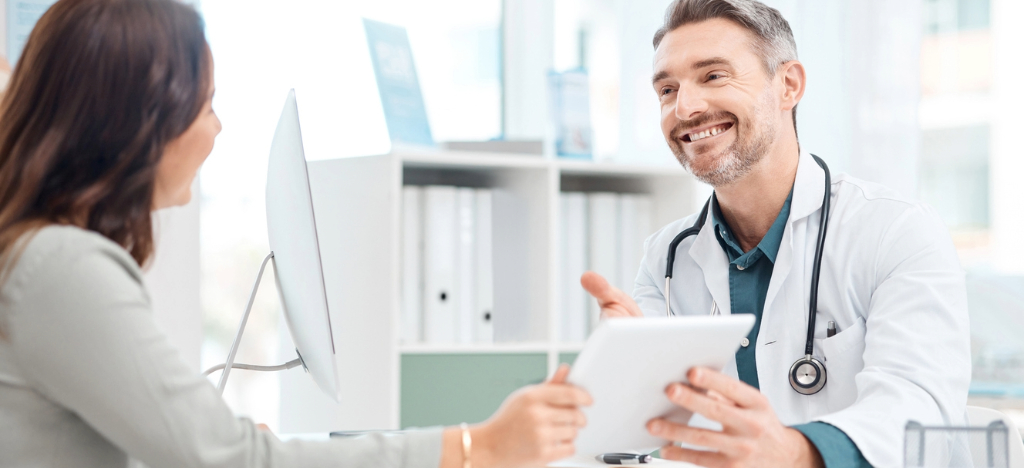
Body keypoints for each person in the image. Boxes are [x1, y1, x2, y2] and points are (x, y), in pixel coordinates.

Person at [0, 1, 591, 467]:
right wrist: (477, 448)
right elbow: (232, 461)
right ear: (142, 125)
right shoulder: (63, 265)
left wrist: (199, 442)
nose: (218, 128)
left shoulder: (39, 254)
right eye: (207, 107)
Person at [581, 1, 970, 467]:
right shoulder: (667, 256)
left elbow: (920, 406)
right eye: (667, 89)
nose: (685, 107)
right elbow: (641, 430)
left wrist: (796, 452)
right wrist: (621, 369)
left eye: (713, 76)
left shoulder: (895, 230)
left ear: (788, 85)